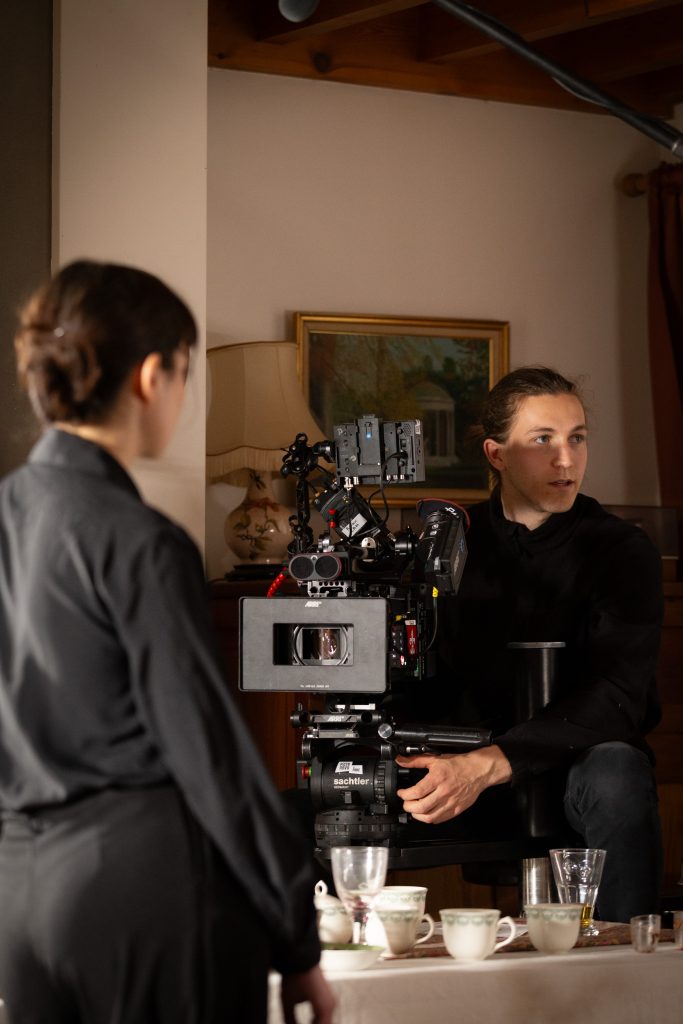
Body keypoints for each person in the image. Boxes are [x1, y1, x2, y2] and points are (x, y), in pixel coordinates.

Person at [0, 260, 335, 1024]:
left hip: (19, 895)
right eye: (187, 374)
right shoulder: (140, 540)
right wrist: (297, 938)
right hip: (139, 889)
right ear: (153, 375)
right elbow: (210, 755)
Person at [396, 366, 664, 922]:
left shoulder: (622, 549)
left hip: (577, 772)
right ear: (496, 455)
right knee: (297, 809)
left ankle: (624, 963)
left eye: (577, 438)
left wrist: (489, 764)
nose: (567, 460)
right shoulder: (444, 547)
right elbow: (413, 675)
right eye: (543, 440)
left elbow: (619, 696)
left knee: (617, 771)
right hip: (461, 769)